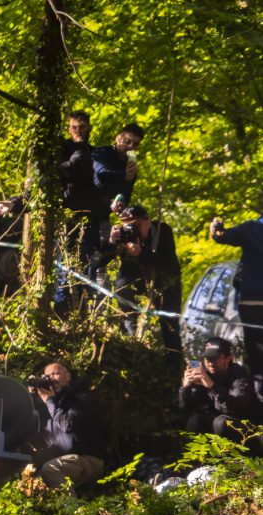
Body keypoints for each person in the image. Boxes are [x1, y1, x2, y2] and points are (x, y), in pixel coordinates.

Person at [102, 204, 181, 356]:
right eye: (129, 226)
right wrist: (111, 242)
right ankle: (132, 340)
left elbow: (171, 267)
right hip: (135, 279)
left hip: (164, 281)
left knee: (170, 325)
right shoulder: (123, 236)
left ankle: (173, 362)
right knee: (122, 287)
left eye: (138, 225)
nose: (134, 230)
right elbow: (98, 260)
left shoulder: (161, 231)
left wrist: (142, 253)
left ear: (148, 221)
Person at [29, 361, 106, 492]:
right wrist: (31, 394)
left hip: (87, 459)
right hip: (63, 460)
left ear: (68, 376)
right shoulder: (50, 404)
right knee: (33, 478)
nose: (51, 378)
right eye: (47, 376)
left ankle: (71, 506)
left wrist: (49, 401)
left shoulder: (81, 398)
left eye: (55, 374)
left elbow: (67, 425)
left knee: (51, 469)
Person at [209, 197, 263, 374]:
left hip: (253, 302)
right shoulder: (251, 228)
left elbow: (222, 236)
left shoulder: (252, 228)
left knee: (256, 357)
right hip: (253, 302)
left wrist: (217, 230)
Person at [58, 111, 105, 295]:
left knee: (87, 264)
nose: (78, 130)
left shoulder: (96, 153)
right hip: (65, 213)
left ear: (89, 128)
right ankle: (63, 303)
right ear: (69, 129)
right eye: (74, 127)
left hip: (90, 215)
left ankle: (83, 303)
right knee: (64, 263)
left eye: (82, 127)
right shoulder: (61, 150)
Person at [179, 337, 260, 440]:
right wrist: (185, 388)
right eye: (207, 358)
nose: (210, 363)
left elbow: (234, 408)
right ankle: (195, 450)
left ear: (228, 358)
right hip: (217, 425)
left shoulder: (239, 375)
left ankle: (227, 451)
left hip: (245, 429)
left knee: (221, 422)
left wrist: (211, 385)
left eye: (216, 358)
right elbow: (186, 408)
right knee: (196, 420)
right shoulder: (205, 375)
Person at [91, 124, 142, 221]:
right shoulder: (101, 152)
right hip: (86, 206)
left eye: (135, 144)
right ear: (118, 138)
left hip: (105, 215)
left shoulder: (130, 166)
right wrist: (125, 176)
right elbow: (102, 175)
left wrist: (121, 202)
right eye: (127, 141)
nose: (131, 146)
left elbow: (126, 193)